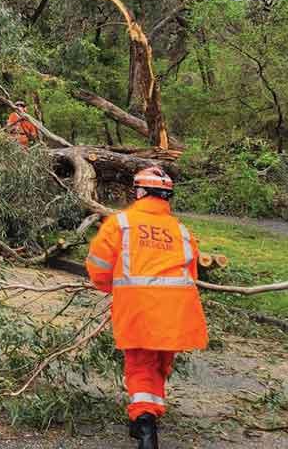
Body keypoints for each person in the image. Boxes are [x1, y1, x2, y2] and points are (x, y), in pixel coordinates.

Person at [85, 167, 207, 449]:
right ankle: (149, 414)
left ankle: (144, 423)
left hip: (139, 309)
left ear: (139, 192)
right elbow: (192, 273)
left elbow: (99, 265)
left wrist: (109, 287)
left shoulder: (122, 223)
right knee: (159, 365)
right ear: (167, 196)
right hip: (177, 312)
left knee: (140, 365)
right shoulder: (182, 230)